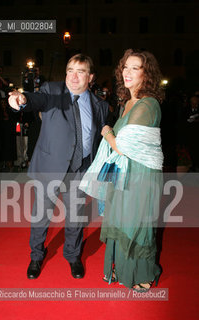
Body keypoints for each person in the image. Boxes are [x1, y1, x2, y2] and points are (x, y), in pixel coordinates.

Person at [8, 54, 109, 280]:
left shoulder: (99, 105)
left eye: (80, 71)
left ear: (90, 77)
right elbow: (34, 100)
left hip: (80, 170)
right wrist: (21, 100)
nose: (73, 76)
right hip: (50, 167)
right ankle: (36, 256)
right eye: (70, 70)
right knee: (41, 216)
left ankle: (73, 256)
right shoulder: (52, 91)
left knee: (75, 218)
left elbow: (100, 138)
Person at [79, 49, 164, 291]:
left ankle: (143, 274)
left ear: (146, 74)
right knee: (122, 220)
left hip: (140, 176)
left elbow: (124, 146)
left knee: (136, 223)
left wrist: (106, 131)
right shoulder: (128, 102)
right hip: (123, 174)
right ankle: (122, 269)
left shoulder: (148, 105)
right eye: (125, 67)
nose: (128, 72)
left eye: (135, 68)